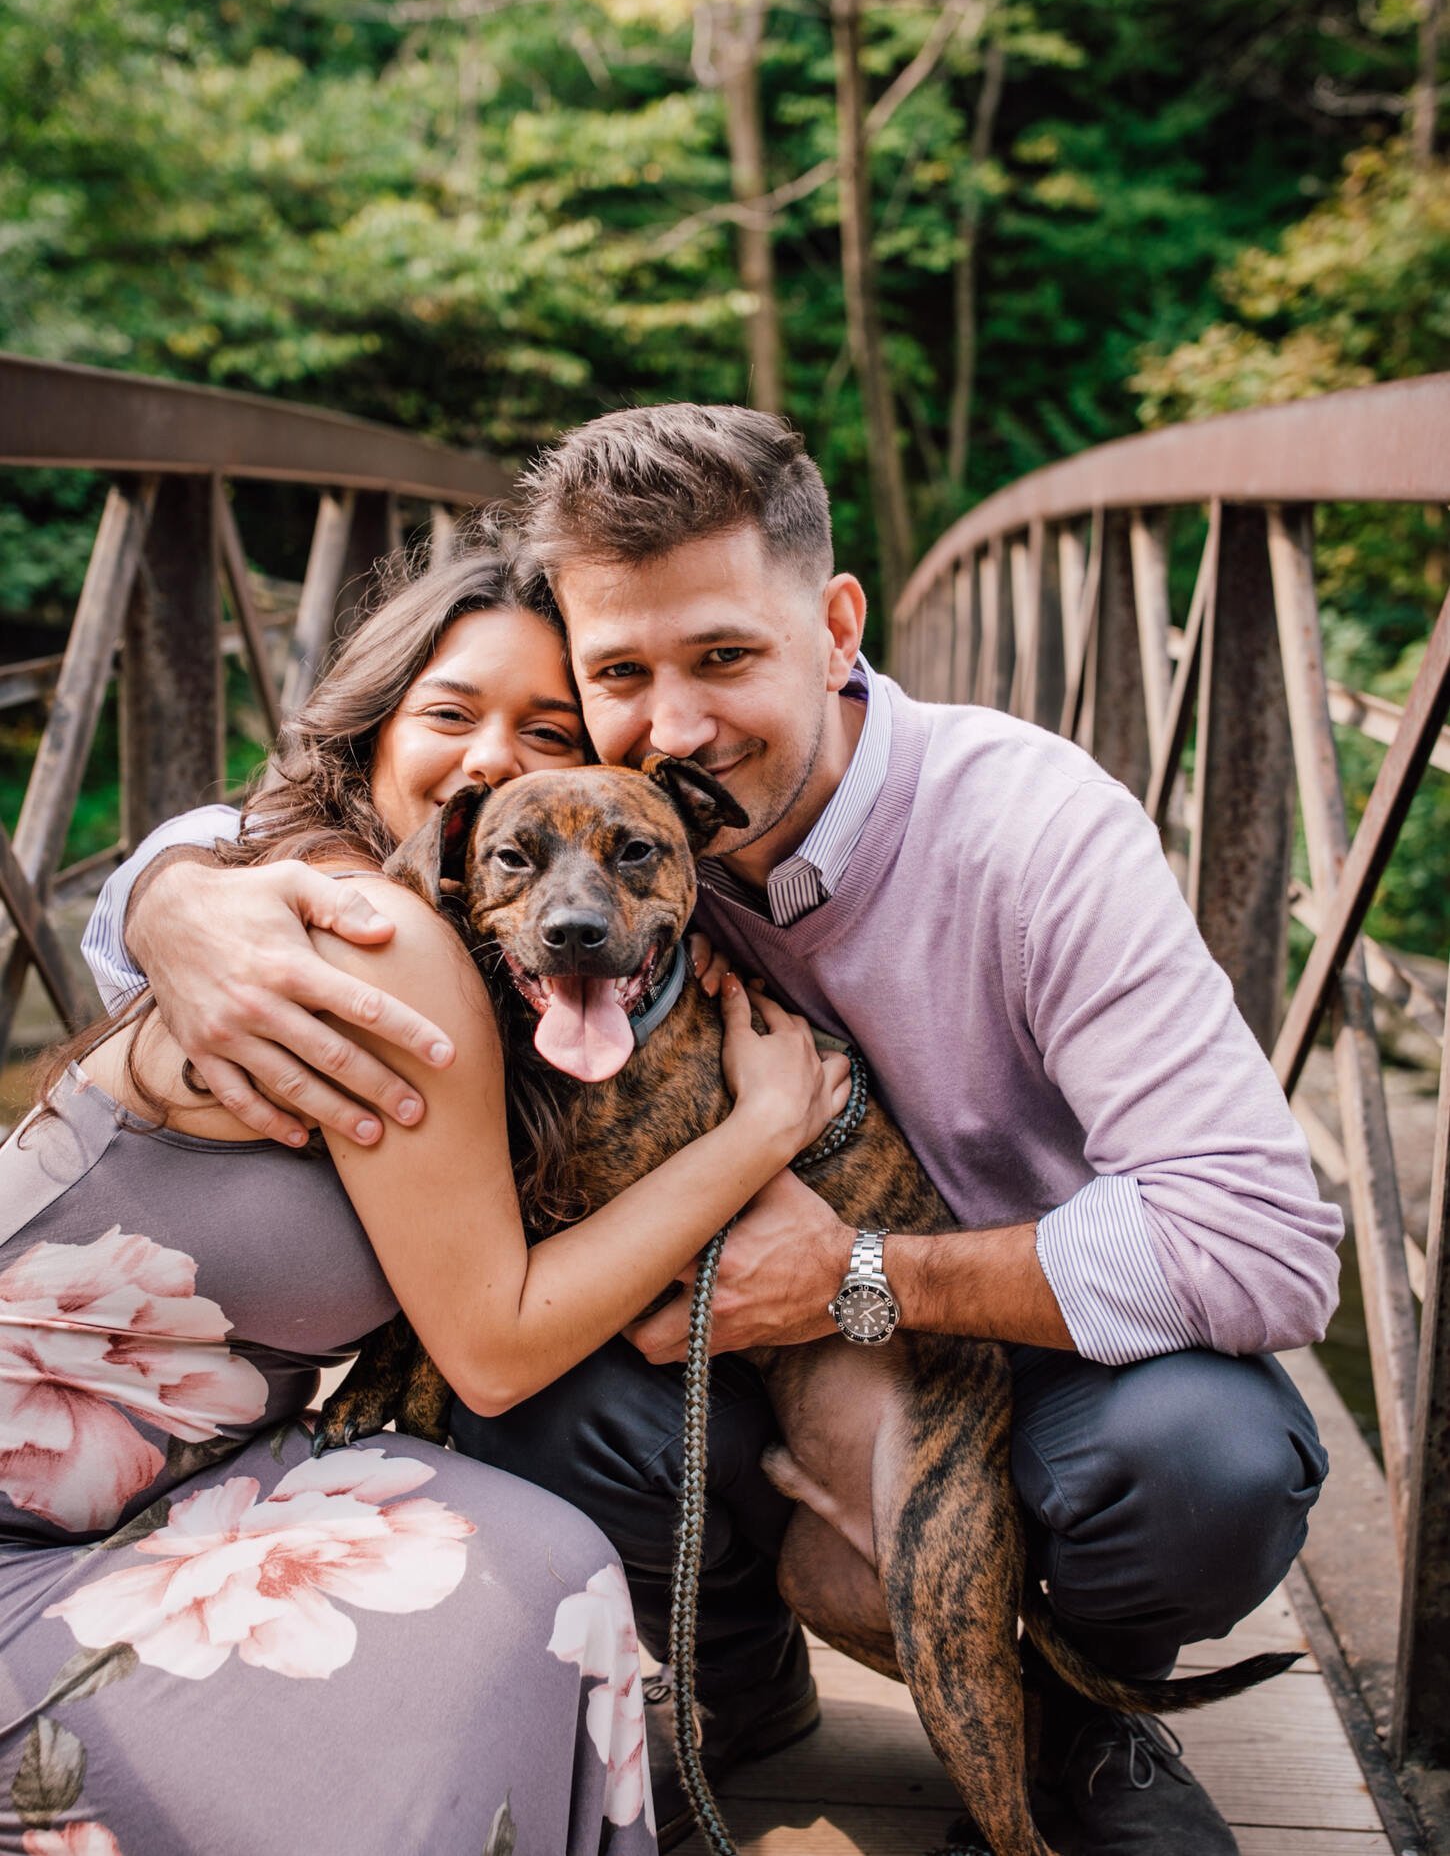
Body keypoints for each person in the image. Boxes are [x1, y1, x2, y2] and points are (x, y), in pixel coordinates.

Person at [79, 409, 1344, 1856]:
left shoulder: (1029, 829)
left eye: (725, 657)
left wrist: (863, 1274)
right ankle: (736, 1681)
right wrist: (172, 899)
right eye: (618, 676)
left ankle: (1085, 1720)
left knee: (1197, 1465)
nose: (675, 727)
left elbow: (1265, 1246)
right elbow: (301, 841)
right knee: (532, 1402)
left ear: (835, 623)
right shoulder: (604, 836)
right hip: (727, 1346)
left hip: (1032, 1340)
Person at [1, 532, 849, 1856]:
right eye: (452, 713)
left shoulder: (412, 906)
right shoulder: (367, 931)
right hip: (31, 1520)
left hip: (168, 1486)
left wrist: (162, 883)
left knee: (543, 1568)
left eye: (551, 727)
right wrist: (760, 1134)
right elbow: (497, 1348)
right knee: (506, 1605)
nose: (496, 763)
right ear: (374, 725)